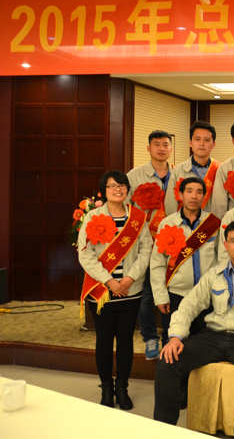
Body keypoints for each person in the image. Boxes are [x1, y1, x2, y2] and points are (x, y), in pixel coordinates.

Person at [154, 219, 234, 439]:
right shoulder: (214, 274)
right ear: (226, 245)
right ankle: (163, 429)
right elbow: (189, 305)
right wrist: (175, 336)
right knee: (168, 359)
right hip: (213, 337)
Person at [78, 170, 153, 409]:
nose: (118, 189)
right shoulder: (93, 217)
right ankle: (106, 388)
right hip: (102, 292)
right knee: (103, 341)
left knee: (125, 341)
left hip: (131, 290)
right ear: (104, 190)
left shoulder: (138, 217)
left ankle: (122, 388)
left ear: (127, 189)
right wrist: (109, 281)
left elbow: (146, 250)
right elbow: (85, 254)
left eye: (122, 185)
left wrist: (130, 277)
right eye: (112, 186)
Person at [151, 177, 220, 350]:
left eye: (199, 192)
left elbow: (222, 261)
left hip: (207, 296)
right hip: (176, 294)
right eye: (189, 191)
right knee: (173, 343)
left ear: (204, 196)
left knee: (203, 346)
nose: (194, 196)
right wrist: (160, 296)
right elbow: (158, 263)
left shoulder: (213, 224)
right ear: (180, 195)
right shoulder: (167, 224)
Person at [127, 129, 173, 360]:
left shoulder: (178, 174)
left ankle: (170, 337)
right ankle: (150, 338)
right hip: (145, 243)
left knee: (170, 291)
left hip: (173, 243)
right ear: (148, 148)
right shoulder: (134, 176)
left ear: (171, 148)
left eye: (165, 144)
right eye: (157, 144)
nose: (161, 148)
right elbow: (126, 209)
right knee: (146, 293)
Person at [164, 121, 220, 218]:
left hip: (213, 224)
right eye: (197, 139)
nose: (201, 144)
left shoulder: (220, 169)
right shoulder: (178, 170)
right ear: (190, 142)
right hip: (183, 224)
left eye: (207, 140)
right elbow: (170, 204)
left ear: (213, 144)